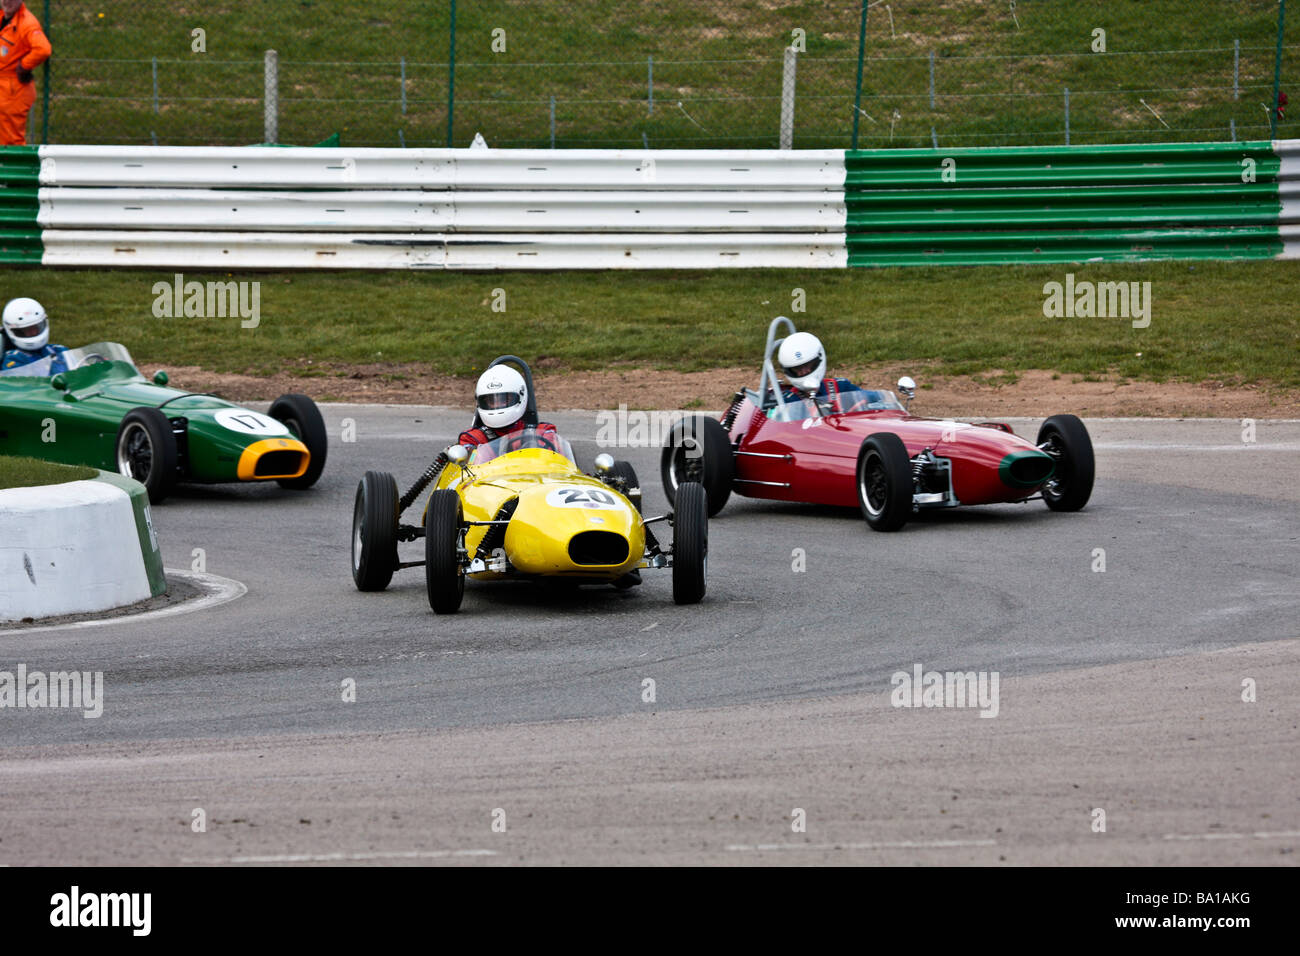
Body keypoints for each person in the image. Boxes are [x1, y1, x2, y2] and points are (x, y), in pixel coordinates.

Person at [457, 365, 557, 448]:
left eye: (503, 400)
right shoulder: (473, 438)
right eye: (491, 401)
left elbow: (559, 464)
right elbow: (467, 468)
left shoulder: (543, 432)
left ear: (520, 397)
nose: (497, 405)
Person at [0, 0, 51, 146]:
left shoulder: (27, 23)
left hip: (13, 91)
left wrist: (24, 66)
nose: (7, 1)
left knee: (10, 141)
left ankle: (13, 168)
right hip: (5, 88)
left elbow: (43, 49)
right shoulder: (4, 17)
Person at [776, 331, 858, 413]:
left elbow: (867, 403)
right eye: (797, 368)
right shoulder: (789, 401)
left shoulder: (841, 387)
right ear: (789, 370)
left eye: (807, 365)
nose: (804, 372)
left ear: (818, 360)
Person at [1, 297, 67, 374]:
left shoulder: (60, 350)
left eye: (36, 328)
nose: (33, 333)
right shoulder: (14, 359)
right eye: (26, 330)